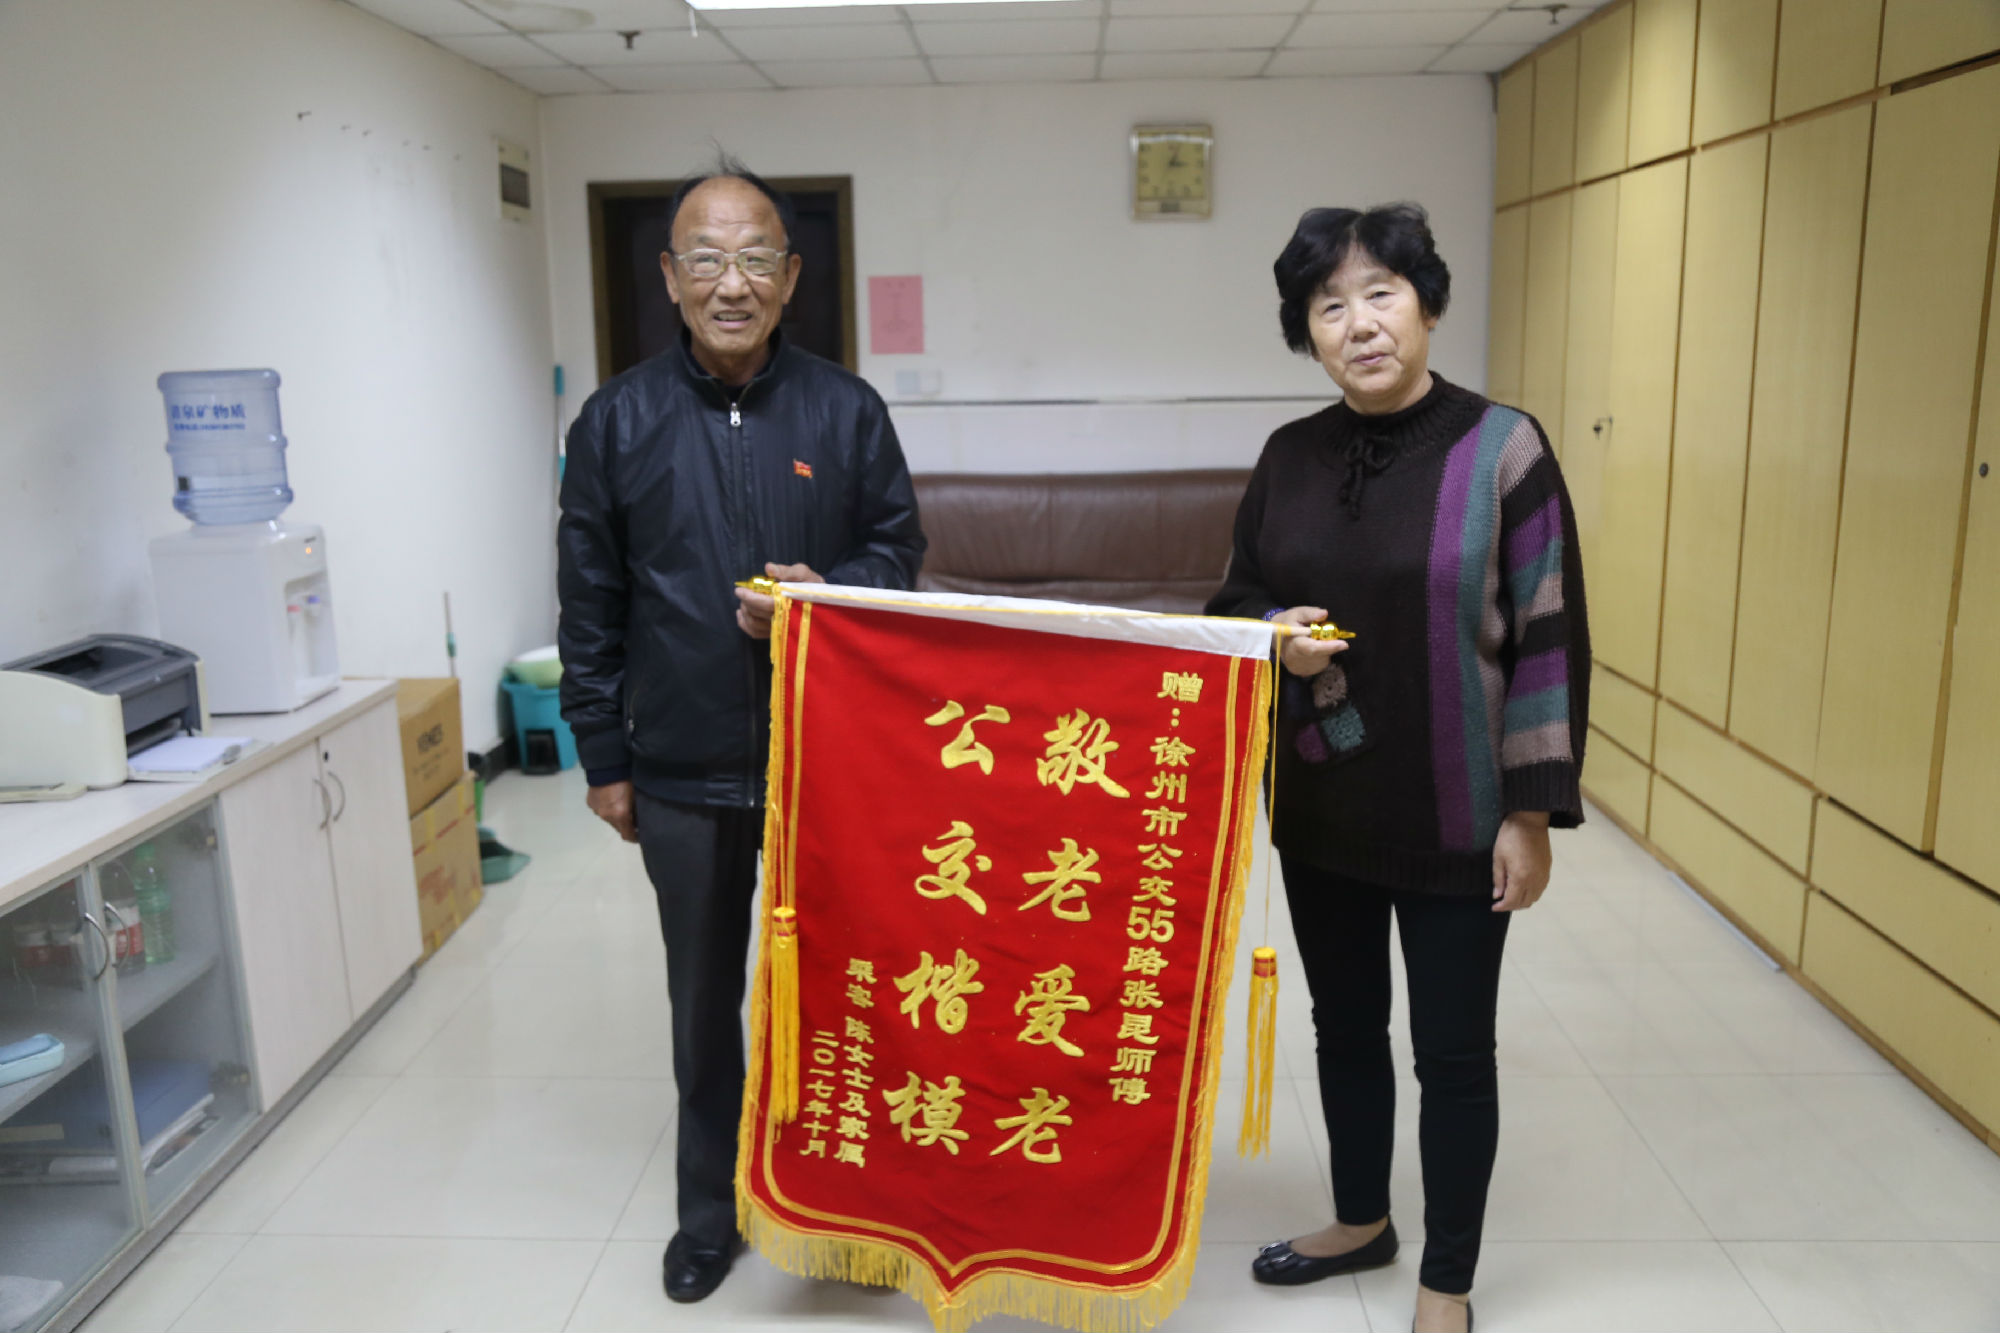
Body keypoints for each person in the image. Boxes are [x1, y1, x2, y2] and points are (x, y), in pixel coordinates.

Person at [1207, 204, 1589, 1333]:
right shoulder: (1289, 456)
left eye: (1381, 293)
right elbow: (1235, 599)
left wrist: (1529, 813)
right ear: (1307, 332)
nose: (1359, 323)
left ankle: (1445, 1283)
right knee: (1342, 1026)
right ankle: (1361, 1218)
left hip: (1458, 811)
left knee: (1453, 1053)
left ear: (1425, 305)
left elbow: (1549, 635)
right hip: (1322, 799)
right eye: (1329, 305)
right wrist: (1274, 631)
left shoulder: (1503, 449)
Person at [557, 158, 925, 1305]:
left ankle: (850, 1212)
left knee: (843, 997)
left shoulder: (846, 410)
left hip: (832, 765)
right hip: (680, 766)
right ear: (670, 277)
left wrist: (832, 589)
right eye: (708, 259)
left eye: (756, 257)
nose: (733, 283)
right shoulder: (614, 421)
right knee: (702, 1002)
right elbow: (587, 603)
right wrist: (603, 756)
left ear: (791, 277)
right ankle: (709, 1214)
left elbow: (898, 553)